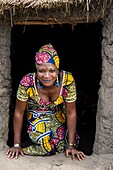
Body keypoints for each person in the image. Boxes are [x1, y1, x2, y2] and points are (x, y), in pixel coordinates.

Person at [6, 43, 85, 161]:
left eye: (52, 70)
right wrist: (16, 144)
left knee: (63, 143)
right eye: (41, 71)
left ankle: (66, 142)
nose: (47, 76)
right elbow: (19, 112)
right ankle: (25, 145)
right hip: (37, 114)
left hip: (59, 114)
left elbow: (71, 113)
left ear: (57, 70)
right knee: (45, 145)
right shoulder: (27, 82)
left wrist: (71, 145)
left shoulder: (67, 80)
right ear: (36, 70)